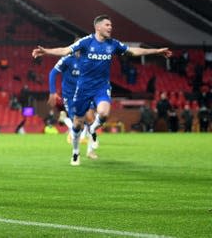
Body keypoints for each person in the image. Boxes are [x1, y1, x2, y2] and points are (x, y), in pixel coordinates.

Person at [32, 14, 171, 166]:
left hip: (101, 87)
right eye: (107, 25)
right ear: (98, 27)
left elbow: (133, 51)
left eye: (111, 25)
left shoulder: (113, 44)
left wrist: (156, 51)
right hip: (84, 88)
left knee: (104, 113)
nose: (110, 28)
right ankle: (75, 152)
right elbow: (65, 50)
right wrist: (46, 51)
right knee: (77, 123)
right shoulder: (86, 42)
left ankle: (92, 129)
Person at [47, 50, 90, 145]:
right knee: (75, 118)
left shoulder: (88, 61)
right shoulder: (66, 60)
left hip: (83, 94)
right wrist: (52, 91)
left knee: (88, 117)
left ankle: (80, 136)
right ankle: (77, 135)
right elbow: (52, 73)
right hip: (69, 95)